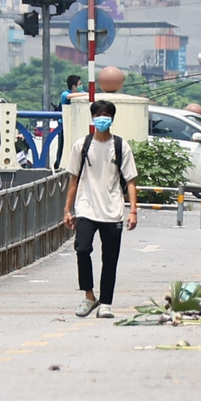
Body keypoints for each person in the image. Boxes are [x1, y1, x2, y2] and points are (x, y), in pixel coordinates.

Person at [61, 98, 138, 319]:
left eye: (106, 115)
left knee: (110, 258)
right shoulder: (81, 145)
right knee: (82, 249)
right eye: (98, 115)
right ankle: (89, 296)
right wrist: (68, 210)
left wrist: (133, 211)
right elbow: (73, 180)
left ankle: (105, 302)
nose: (102, 119)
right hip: (86, 208)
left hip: (113, 209)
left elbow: (130, 181)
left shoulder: (120, 146)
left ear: (112, 118)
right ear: (92, 118)